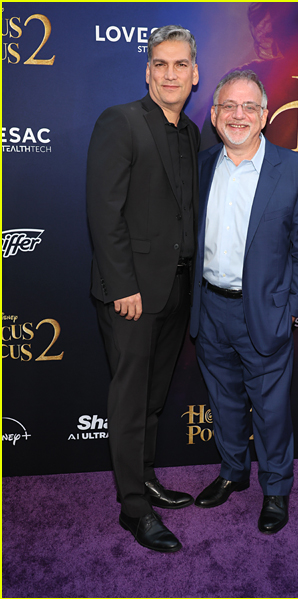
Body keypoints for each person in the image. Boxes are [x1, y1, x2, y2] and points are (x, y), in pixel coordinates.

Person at [190, 70, 298, 534]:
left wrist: (292, 309)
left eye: (249, 107)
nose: (238, 115)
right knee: (223, 401)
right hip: (208, 309)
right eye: (228, 106)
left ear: (265, 116)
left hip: (264, 312)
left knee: (270, 409)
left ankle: (276, 489)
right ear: (214, 114)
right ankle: (232, 472)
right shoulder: (201, 165)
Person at [86, 25, 200, 553]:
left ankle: (148, 478)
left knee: (154, 399)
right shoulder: (121, 122)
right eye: (160, 64)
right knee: (130, 402)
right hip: (132, 293)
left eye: (180, 65)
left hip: (177, 289)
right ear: (147, 70)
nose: (170, 74)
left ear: (194, 74)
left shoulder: (193, 132)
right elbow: (103, 213)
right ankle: (134, 508)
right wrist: (121, 286)